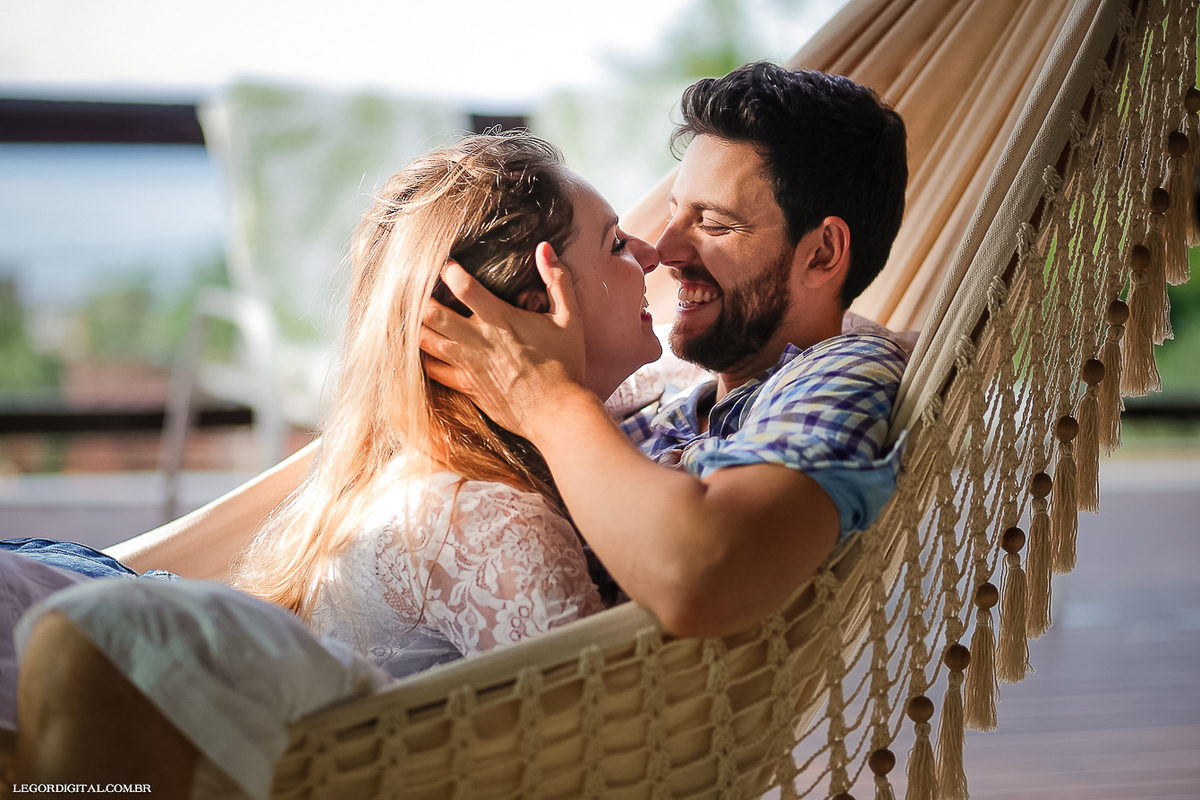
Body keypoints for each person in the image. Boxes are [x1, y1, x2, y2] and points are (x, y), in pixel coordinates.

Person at [12, 132, 664, 798]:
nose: (653, 251)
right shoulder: (490, 522)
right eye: (616, 243)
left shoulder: (416, 457)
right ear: (532, 312)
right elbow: (608, 764)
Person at [420, 63, 911, 639]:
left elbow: (706, 575)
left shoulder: (843, 371)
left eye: (715, 223)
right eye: (677, 209)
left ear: (823, 253)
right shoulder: (665, 392)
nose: (664, 248)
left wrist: (546, 401)